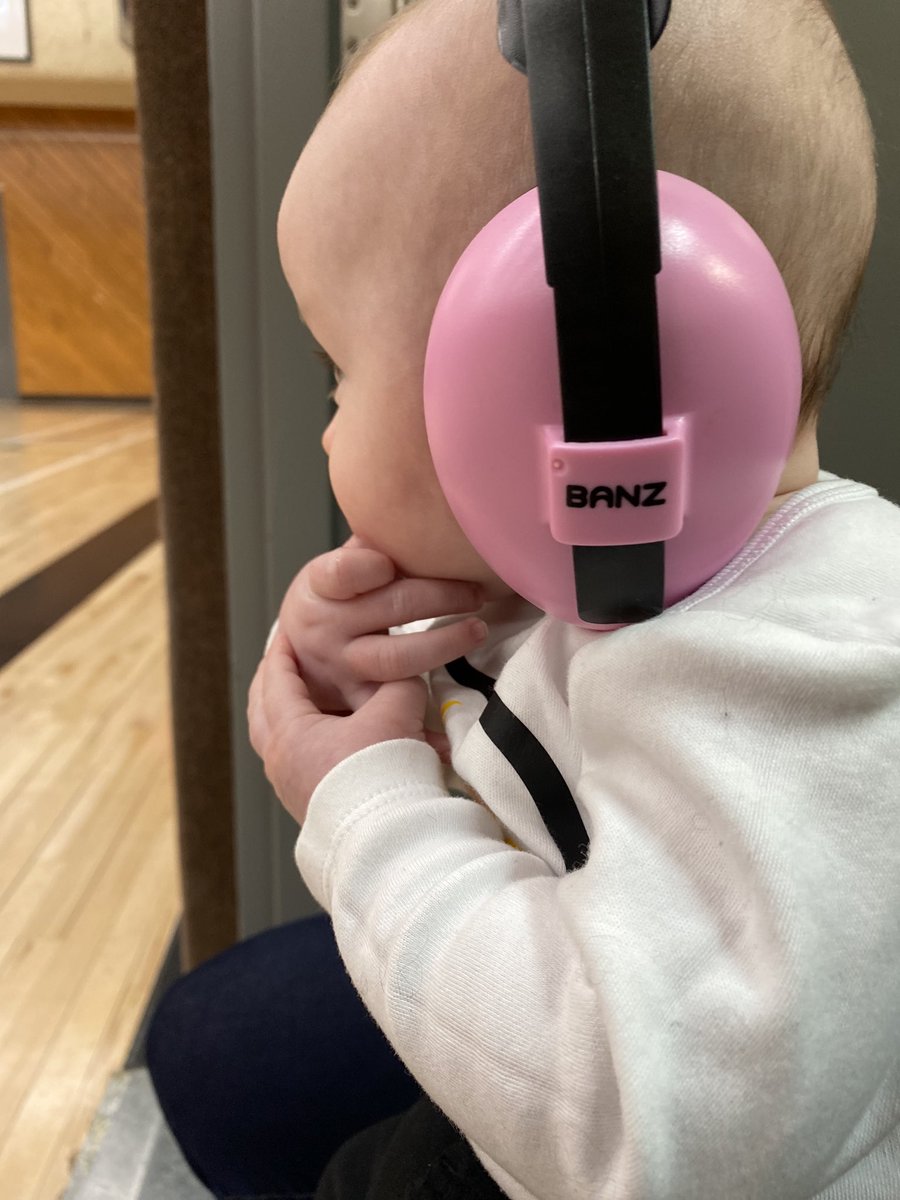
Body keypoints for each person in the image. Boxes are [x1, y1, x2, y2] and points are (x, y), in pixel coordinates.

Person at [146, 0, 900, 1197]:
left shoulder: (800, 682)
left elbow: (651, 1138)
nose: (328, 420)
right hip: (562, 1034)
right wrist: (434, 655)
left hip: (623, 1140)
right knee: (210, 1045)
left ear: (571, 393)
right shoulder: (650, 580)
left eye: (338, 370)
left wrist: (368, 804)